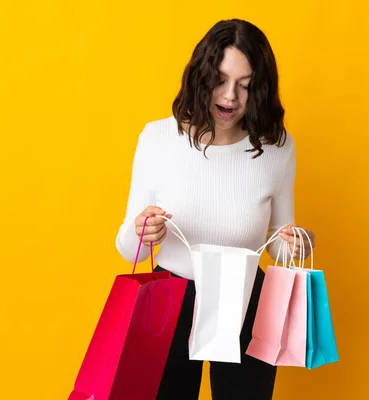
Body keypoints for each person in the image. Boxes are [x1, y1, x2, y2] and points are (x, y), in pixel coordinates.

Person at [115, 18, 315, 400]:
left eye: (246, 85)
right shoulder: (157, 138)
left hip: (245, 296)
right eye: (220, 80)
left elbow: (281, 247)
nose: (230, 97)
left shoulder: (276, 148)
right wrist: (143, 231)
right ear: (201, 77)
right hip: (170, 298)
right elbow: (130, 249)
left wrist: (298, 243)